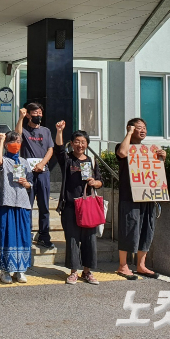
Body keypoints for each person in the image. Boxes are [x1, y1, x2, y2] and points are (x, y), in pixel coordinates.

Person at [115, 118, 167, 280]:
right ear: (130, 128)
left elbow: (156, 171)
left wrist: (162, 158)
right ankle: (123, 266)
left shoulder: (149, 149)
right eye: (138, 128)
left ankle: (141, 265)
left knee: (147, 229)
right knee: (129, 228)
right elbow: (122, 153)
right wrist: (129, 133)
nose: (143, 130)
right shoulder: (123, 146)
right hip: (129, 196)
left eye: (144, 127)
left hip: (148, 195)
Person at [54, 120, 103, 285]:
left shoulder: (92, 161)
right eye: (77, 142)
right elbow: (59, 150)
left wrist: (94, 183)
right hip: (70, 206)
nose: (80, 145)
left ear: (87, 144)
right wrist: (60, 131)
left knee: (90, 239)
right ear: (72, 143)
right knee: (73, 239)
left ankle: (87, 272)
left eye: (83, 142)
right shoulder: (68, 160)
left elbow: (100, 181)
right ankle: (74, 272)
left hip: (88, 206)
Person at [0, 131, 33, 284]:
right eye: (13, 141)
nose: (16, 144)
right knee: (7, 235)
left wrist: (26, 183)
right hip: (6, 201)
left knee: (23, 236)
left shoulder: (24, 161)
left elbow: (30, 182)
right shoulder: (3, 159)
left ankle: (21, 269)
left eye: (18, 141)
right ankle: (5, 270)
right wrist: (1, 141)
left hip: (22, 202)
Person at [15, 102, 55, 249]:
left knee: (44, 205)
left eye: (40, 113)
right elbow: (17, 135)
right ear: (29, 115)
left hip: (43, 172)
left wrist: (42, 164)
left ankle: (44, 235)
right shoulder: (24, 130)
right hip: (28, 173)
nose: (38, 116)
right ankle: (26, 233)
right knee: (27, 205)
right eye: (35, 113)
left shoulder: (46, 131)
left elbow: (51, 149)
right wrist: (20, 118)